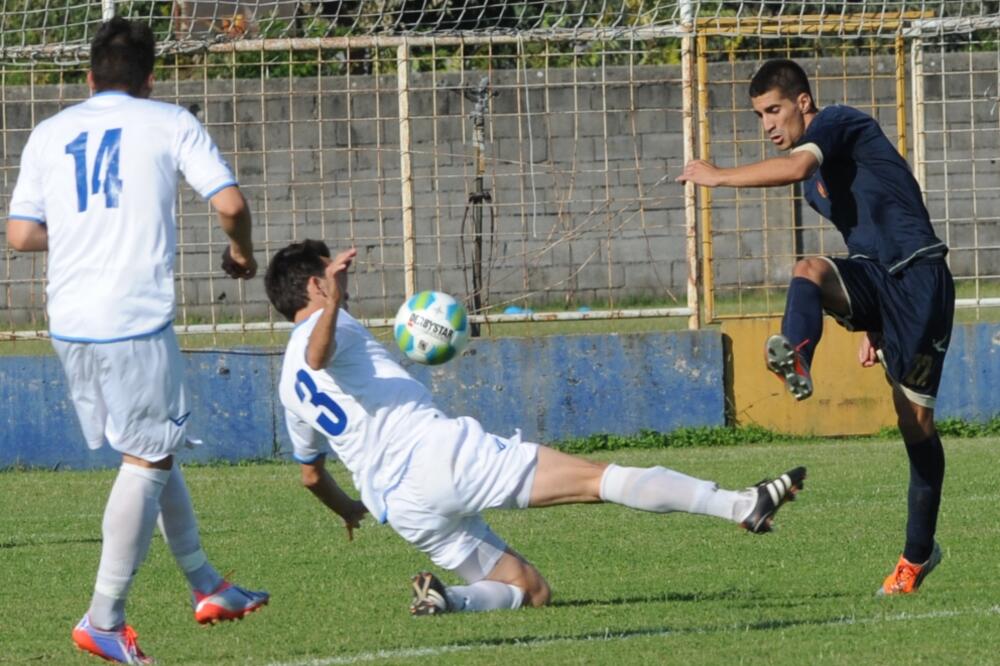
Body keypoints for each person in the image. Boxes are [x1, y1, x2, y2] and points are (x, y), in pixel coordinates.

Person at [263, 238, 806, 616]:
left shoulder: (287, 386)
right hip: (440, 456)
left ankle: (451, 599)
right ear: (316, 283)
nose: (344, 277)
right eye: (333, 270)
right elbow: (319, 353)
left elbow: (311, 475)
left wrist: (350, 510)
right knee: (597, 478)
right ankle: (739, 505)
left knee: (530, 589)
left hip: (399, 506)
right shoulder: (331, 324)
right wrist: (334, 304)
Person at [6, 18, 268, 664]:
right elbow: (230, 204)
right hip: (133, 318)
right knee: (146, 459)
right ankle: (103, 618)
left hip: (69, 320)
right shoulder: (169, 120)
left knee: (150, 444)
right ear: (149, 79)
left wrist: (80, 232)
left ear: (89, 76)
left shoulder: (49, 132)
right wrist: (242, 252)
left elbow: (19, 234)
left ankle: (208, 585)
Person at [678, 59, 954, 596]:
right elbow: (862, 243)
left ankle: (917, 556)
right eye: (760, 115)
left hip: (920, 279)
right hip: (878, 280)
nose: (768, 125)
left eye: (774, 110)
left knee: (915, 425)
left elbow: (800, 168)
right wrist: (870, 323)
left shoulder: (841, 122)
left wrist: (717, 176)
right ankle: (797, 354)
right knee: (809, 270)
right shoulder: (817, 190)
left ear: (803, 102)